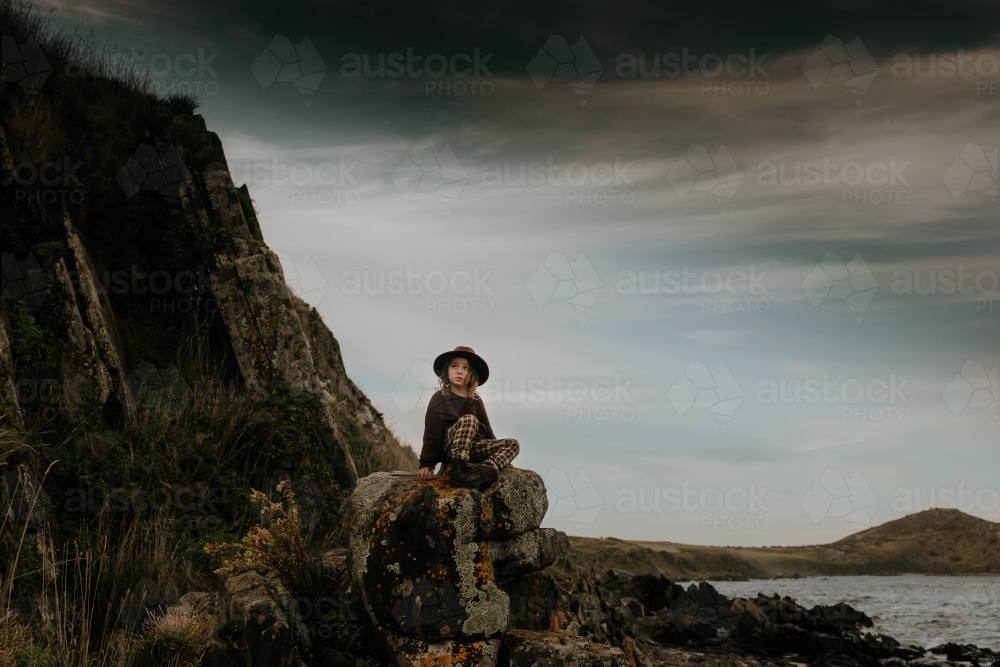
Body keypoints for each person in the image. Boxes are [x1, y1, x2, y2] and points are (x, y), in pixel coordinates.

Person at [417, 346, 520, 489]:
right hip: (453, 447)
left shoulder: (475, 399)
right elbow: (431, 431)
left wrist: (501, 456)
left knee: (513, 444)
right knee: (469, 419)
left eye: (466, 368)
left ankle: (488, 467)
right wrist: (427, 462)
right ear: (447, 370)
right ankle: (458, 471)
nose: (460, 371)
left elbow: (488, 431)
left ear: (472, 374)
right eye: (455, 366)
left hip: (474, 448)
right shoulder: (440, 398)